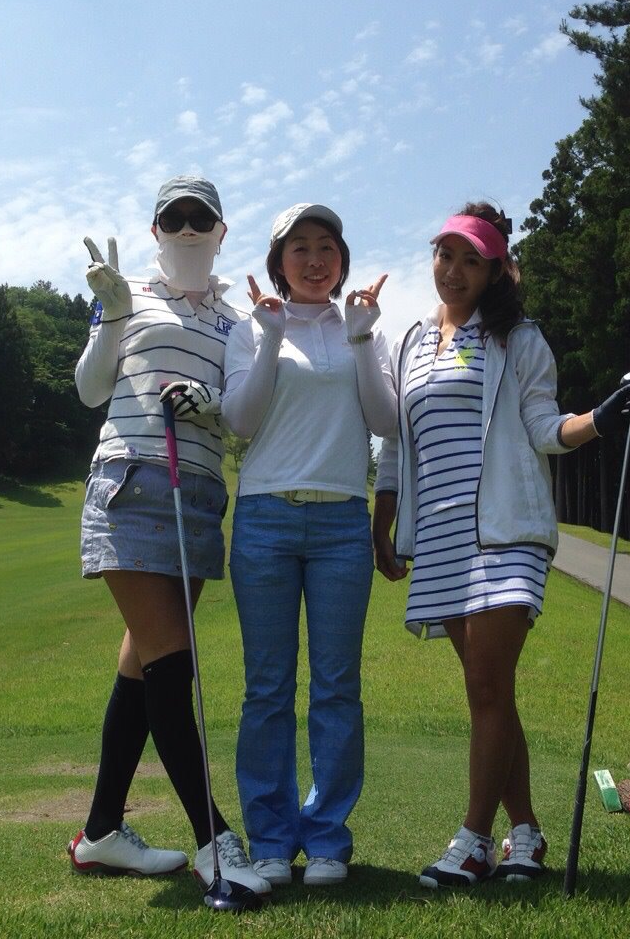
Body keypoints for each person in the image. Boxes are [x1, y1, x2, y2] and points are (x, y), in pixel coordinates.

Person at [372, 202, 630, 888]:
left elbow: (545, 427)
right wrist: (384, 521)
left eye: (472, 260)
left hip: (505, 531)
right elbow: (396, 444)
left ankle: (473, 841)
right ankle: (525, 833)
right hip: (439, 540)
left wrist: (600, 418)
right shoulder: (410, 341)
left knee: (489, 686)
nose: (454, 271)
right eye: (446, 255)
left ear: (496, 271)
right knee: (489, 692)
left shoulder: (519, 340)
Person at [68, 175, 270, 897]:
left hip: (199, 494)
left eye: (199, 218)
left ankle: (101, 832)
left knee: (143, 664)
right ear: (155, 230)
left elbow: (241, 411)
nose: (187, 228)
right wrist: (114, 314)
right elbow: (91, 388)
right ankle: (215, 841)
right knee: (170, 665)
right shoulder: (125, 294)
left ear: (220, 231)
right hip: (130, 483)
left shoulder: (236, 319)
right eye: (173, 218)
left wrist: (211, 403)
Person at [221, 203, 397, 887]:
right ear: (279, 262)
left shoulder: (363, 330)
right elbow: (240, 421)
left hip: (341, 523)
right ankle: (270, 838)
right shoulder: (250, 328)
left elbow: (385, 420)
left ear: (342, 260)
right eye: (300, 248)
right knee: (267, 688)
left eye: (327, 246)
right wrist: (269, 337)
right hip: (265, 517)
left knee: (337, 687)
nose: (315, 259)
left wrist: (361, 337)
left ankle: (326, 838)